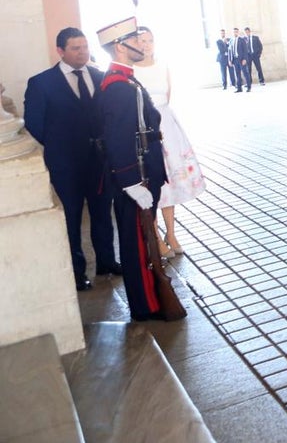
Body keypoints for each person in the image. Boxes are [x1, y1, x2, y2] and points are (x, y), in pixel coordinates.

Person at [23, 27, 117, 291]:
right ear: (60, 51)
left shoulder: (100, 77)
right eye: (76, 48)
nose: (82, 52)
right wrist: (60, 148)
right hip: (66, 165)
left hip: (98, 162)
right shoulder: (42, 83)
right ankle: (77, 273)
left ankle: (107, 262)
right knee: (72, 218)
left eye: (85, 47)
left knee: (101, 214)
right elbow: (34, 124)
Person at [95, 16, 173, 321]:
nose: (141, 44)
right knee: (137, 245)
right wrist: (130, 182)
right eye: (134, 40)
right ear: (119, 46)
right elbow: (116, 137)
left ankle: (149, 300)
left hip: (143, 173)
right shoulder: (117, 86)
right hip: (135, 177)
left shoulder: (126, 79)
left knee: (142, 242)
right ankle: (146, 306)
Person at [133, 27, 205, 258]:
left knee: (170, 182)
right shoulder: (132, 70)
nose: (146, 45)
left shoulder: (163, 65)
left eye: (150, 40)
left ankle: (171, 233)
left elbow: (167, 96)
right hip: (146, 128)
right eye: (142, 41)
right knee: (153, 182)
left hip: (167, 125)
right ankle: (154, 234)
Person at [231, 26, 252, 92]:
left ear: (238, 32)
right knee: (237, 74)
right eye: (234, 32)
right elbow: (230, 51)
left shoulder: (242, 40)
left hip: (242, 60)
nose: (235, 33)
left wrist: (245, 59)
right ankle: (239, 88)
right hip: (235, 60)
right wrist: (230, 60)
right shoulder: (231, 41)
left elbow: (245, 51)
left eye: (236, 32)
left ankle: (249, 87)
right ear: (233, 33)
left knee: (245, 73)